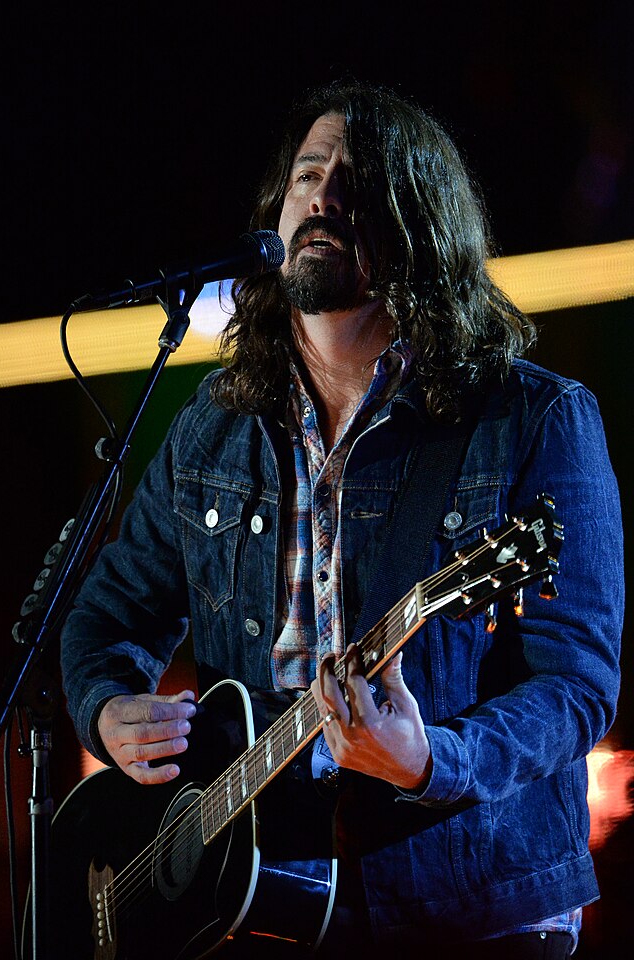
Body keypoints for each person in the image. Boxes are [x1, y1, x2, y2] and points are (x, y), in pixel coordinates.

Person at [60, 81, 623, 958]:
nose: (322, 195)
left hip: (472, 906)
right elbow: (105, 616)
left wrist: (431, 760)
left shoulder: (534, 418)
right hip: (263, 900)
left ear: (422, 225)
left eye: (355, 182)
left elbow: (577, 685)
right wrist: (106, 710)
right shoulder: (212, 425)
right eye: (307, 175)